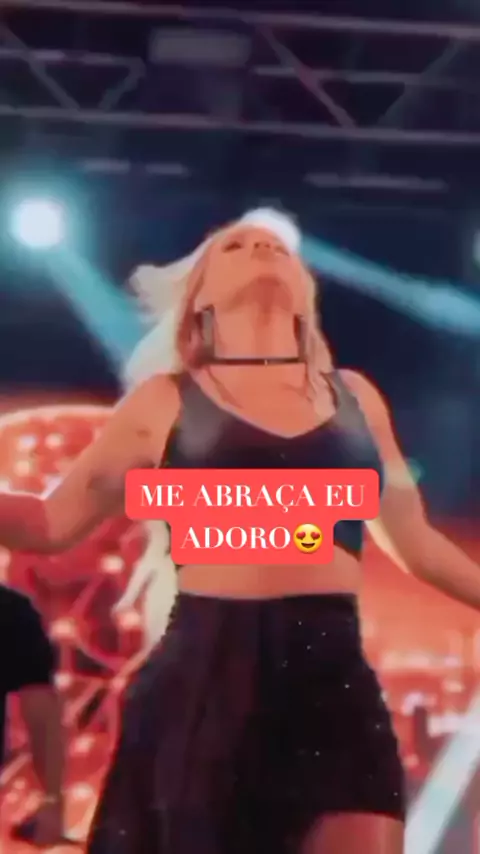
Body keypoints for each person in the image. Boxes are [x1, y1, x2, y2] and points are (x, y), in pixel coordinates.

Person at [0, 209, 478, 853]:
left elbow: (416, 543)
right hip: (206, 669)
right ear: (200, 299)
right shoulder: (164, 401)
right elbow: (50, 522)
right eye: (235, 246)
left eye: (275, 246)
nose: (260, 247)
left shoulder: (355, 399)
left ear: (306, 289)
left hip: (331, 671)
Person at [0, 583, 65, 846]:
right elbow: (41, 709)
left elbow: (41, 708)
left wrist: (52, 800)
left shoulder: (10, 610)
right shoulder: (10, 609)